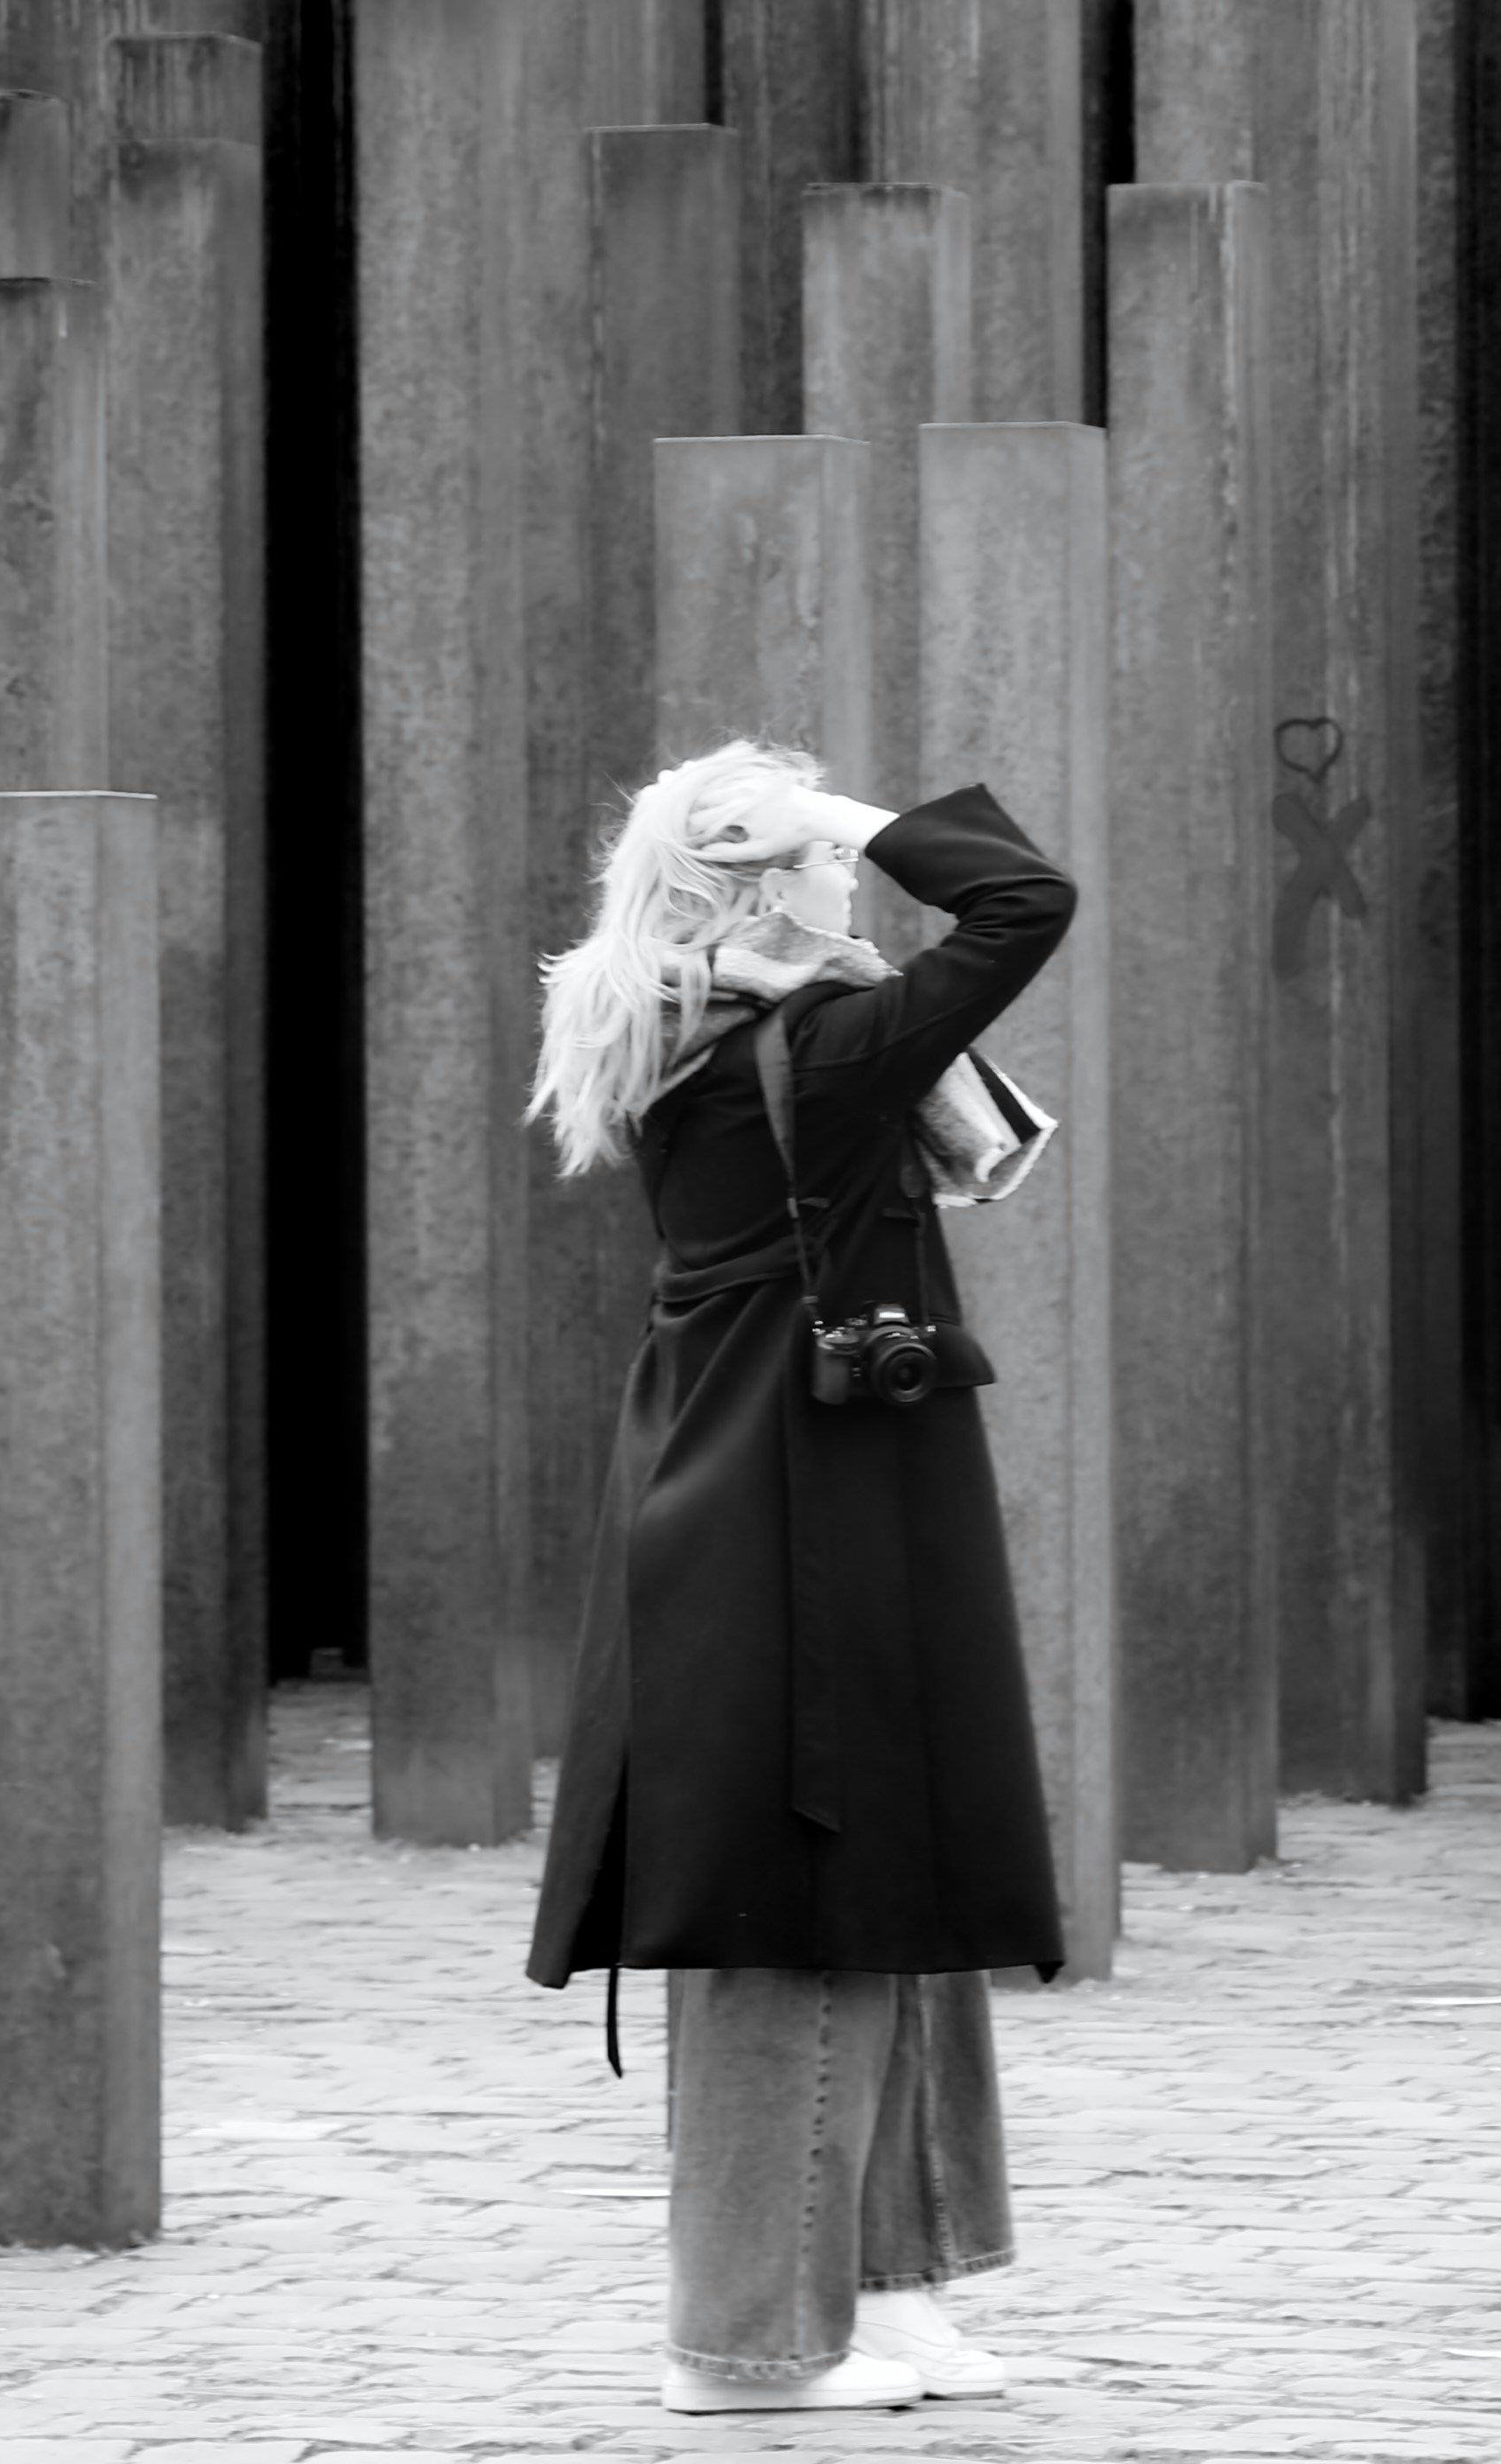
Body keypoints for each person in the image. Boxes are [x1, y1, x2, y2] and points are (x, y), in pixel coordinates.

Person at [520, 740, 1077, 2415]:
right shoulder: (818, 1045)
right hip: (796, 1487)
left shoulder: (717, 1032)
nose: (861, 872)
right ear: (766, 876)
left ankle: (884, 2294)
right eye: (829, 847)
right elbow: (1025, 897)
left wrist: (788, 837)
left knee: (886, 1866)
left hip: (789, 1464)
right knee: (801, 1889)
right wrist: (828, 819)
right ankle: (750, 2341)